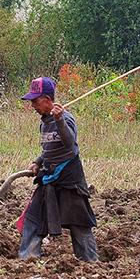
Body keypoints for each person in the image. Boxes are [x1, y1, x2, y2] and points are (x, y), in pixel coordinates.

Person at [17, 77, 98, 262]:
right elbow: (49, 149)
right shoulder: (44, 122)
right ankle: (27, 260)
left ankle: (90, 263)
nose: (33, 106)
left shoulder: (66, 119)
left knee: (79, 223)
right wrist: (38, 162)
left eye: (35, 101)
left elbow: (69, 144)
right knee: (33, 219)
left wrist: (59, 120)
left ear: (47, 99)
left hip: (69, 179)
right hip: (49, 179)